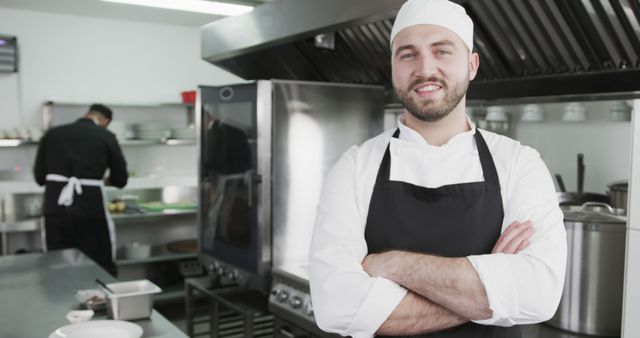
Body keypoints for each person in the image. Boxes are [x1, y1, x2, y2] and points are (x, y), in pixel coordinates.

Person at [308, 1, 567, 337]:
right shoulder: (356, 165)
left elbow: (539, 295)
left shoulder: (518, 163)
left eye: (442, 51)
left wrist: (390, 264)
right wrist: (489, 290)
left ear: (472, 65)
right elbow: (335, 307)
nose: (425, 68)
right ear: (393, 67)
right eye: (408, 54)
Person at [34, 103, 128, 276]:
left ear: (87, 114)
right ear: (105, 121)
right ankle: (98, 301)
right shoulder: (106, 136)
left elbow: (39, 177)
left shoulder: (52, 134)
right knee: (98, 261)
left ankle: (60, 301)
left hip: (56, 205)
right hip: (90, 206)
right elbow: (120, 179)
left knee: (57, 262)